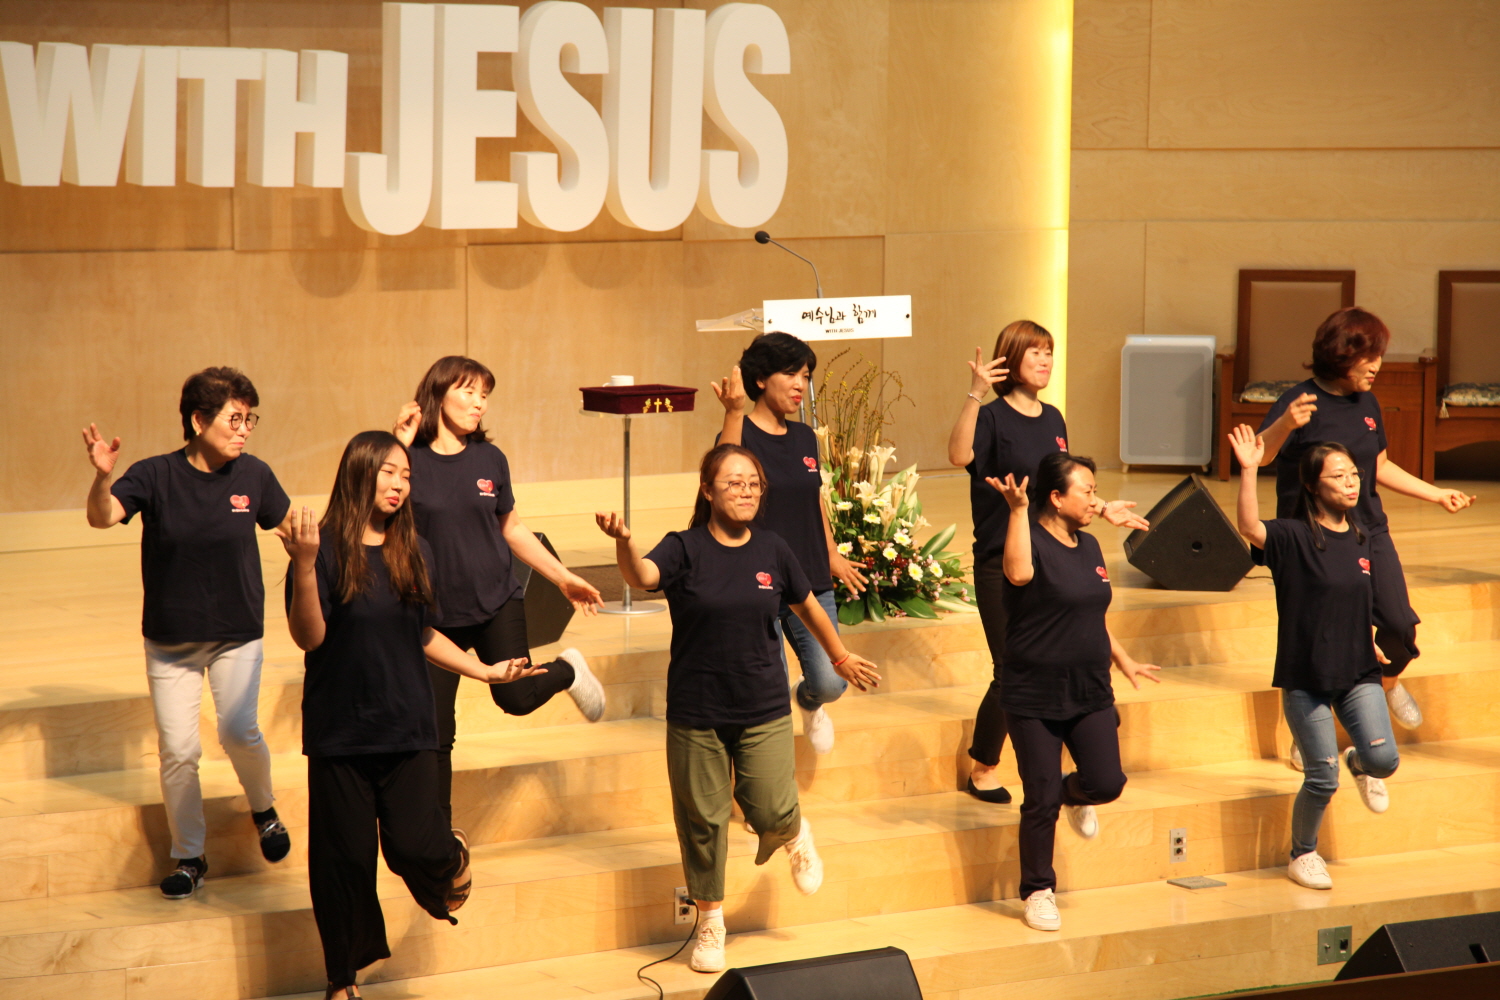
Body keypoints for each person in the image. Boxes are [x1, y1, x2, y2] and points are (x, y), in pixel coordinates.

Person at [280, 430, 546, 1000]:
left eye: (406, 475)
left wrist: (484, 671)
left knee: (414, 846)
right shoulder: (322, 548)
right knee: (344, 863)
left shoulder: (415, 549)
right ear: (359, 472)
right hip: (341, 730)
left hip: (407, 722)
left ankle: (452, 856)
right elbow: (310, 637)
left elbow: (423, 632)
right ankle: (342, 981)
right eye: (389, 472)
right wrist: (303, 567)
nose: (400, 483)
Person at [595, 444, 881, 973]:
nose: (745, 491)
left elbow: (807, 604)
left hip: (763, 704)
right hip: (696, 708)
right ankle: (711, 923)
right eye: (733, 482)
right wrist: (624, 543)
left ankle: (794, 833)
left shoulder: (773, 549)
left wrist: (839, 657)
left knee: (769, 808)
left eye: (753, 483)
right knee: (702, 821)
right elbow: (641, 577)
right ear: (707, 490)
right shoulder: (684, 547)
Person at [82, 367, 292, 900]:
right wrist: (102, 477)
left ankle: (264, 809)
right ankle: (190, 856)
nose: (244, 430)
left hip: (237, 633)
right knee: (178, 751)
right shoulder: (155, 475)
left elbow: (294, 529)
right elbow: (103, 517)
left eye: (250, 419)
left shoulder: (255, 476)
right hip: (170, 641)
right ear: (199, 421)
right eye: (234, 419)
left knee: (239, 731)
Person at [393, 356, 606, 826]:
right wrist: (398, 445)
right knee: (436, 733)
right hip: (433, 618)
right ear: (438, 394)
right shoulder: (406, 460)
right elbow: (370, 502)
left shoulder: (490, 459)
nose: (479, 404)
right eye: (468, 392)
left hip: (494, 601)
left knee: (516, 698)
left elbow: (511, 527)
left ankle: (566, 670)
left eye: (485, 395)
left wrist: (562, 577)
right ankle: (443, 836)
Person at [947, 321, 1148, 804]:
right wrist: (975, 394)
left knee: (1063, 656)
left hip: (1056, 556)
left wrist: (1102, 506)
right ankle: (984, 766)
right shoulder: (991, 416)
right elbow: (957, 455)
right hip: (1002, 559)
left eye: (1049, 352)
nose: (1044, 360)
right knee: (1010, 666)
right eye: (1034, 352)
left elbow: (1062, 484)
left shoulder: (1054, 417)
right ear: (1010, 359)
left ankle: (1080, 769)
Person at [1257, 308, 1475, 747]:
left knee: (1398, 623)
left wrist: (1435, 494)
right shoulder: (1299, 401)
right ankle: (1311, 732)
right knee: (1317, 639)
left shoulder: (1368, 402)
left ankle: (1387, 684)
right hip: (1311, 541)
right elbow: (1259, 456)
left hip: (1367, 529)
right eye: (1368, 357)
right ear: (1341, 355)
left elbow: (1381, 466)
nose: (1377, 366)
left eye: (1379, 356)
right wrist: (1285, 424)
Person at [990, 452, 1160, 932]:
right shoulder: (1028, 540)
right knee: (1039, 799)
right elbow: (1019, 574)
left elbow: (1091, 612)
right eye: (1086, 491)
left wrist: (1122, 657)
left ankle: (1073, 794)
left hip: (1089, 688)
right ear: (1056, 497)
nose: (1095, 500)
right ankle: (1038, 890)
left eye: (1094, 490)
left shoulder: (1089, 546)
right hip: (1033, 694)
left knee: (1106, 783)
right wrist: (1017, 510)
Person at [1228, 425, 1399, 890]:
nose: (1351, 483)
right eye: (1338, 476)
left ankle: (1359, 763)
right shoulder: (1292, 537)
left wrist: (1367, 634)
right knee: (1322, 778)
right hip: (1306, 676)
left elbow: (1356, 597)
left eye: (1354, 474)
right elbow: (1249, 527)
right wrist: (1249, 470)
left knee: (1384, 761)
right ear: (1312, 485)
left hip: (1358, 669)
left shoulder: (1361, 537)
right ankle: (1302, 854)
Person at [712, 332, 868, 755]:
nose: (801, 384)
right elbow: (723, 474)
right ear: (760, 378)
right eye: (791, 374)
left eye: (806, 376)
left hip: (809, 575)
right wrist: (733, 412)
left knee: (830, 683)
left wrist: (832, 554)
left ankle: (809, 701)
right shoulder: (741, 431)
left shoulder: (804, 437)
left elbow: (814, 499)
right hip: (757, 581)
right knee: (769, 694)